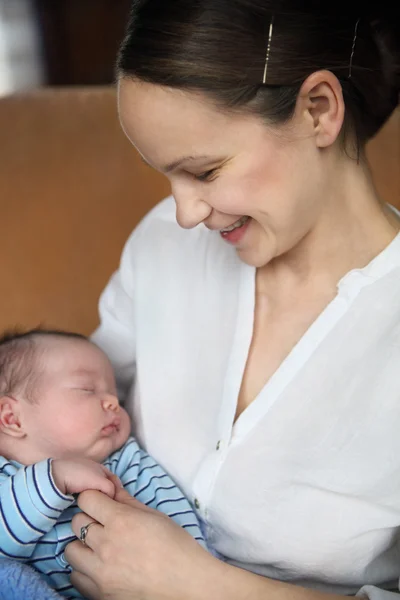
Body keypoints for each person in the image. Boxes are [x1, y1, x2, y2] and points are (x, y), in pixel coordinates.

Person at [62, 1, 400, 599]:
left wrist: (197, 586)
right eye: (166, 175)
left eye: (206, 171)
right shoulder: (163, 244)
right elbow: (52, 407)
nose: (185, 212)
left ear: (319, 111)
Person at [0, 330, 205, 598]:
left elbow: (180, 535)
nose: (113, 403)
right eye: (87, 389)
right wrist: (52, 478)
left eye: (117, 397)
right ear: (12, 418)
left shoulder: (127, 462)